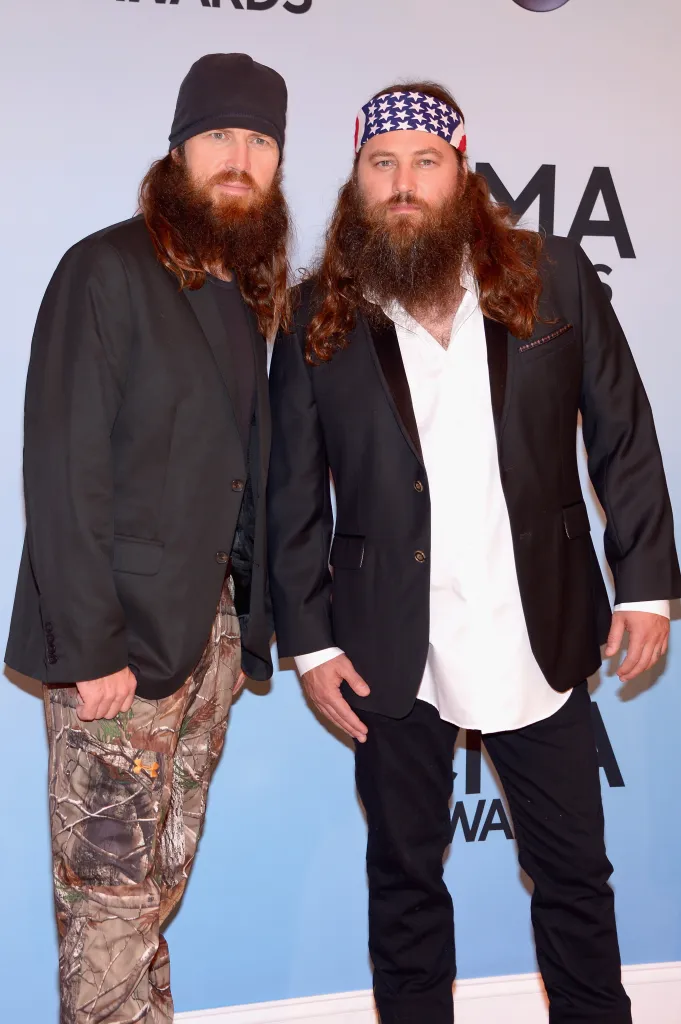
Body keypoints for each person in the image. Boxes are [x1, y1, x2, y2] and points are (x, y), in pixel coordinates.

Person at [267, 81, 680, 1024]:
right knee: (405, 883)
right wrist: (311, 640)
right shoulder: (314, 316)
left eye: (424, 161)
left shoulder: (552, 275)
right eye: (382, 165)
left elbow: (622, 433)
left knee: (575, 876)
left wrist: (646, 586)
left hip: (535, 628)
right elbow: (293, 488)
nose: (402, 183)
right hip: (385, 646)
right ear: (356, 182)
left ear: (461, 170)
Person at [5, 52, 289, 1024]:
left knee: (149, 898)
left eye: (260, 140)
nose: (239, 158)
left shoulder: (249, 296)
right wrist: (90, 653)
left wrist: (248, 629)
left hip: (204, 652)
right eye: (219, 136)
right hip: (119, 656)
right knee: (107, 908)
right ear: (178, 151)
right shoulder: (105, 269)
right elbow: (62, 469)